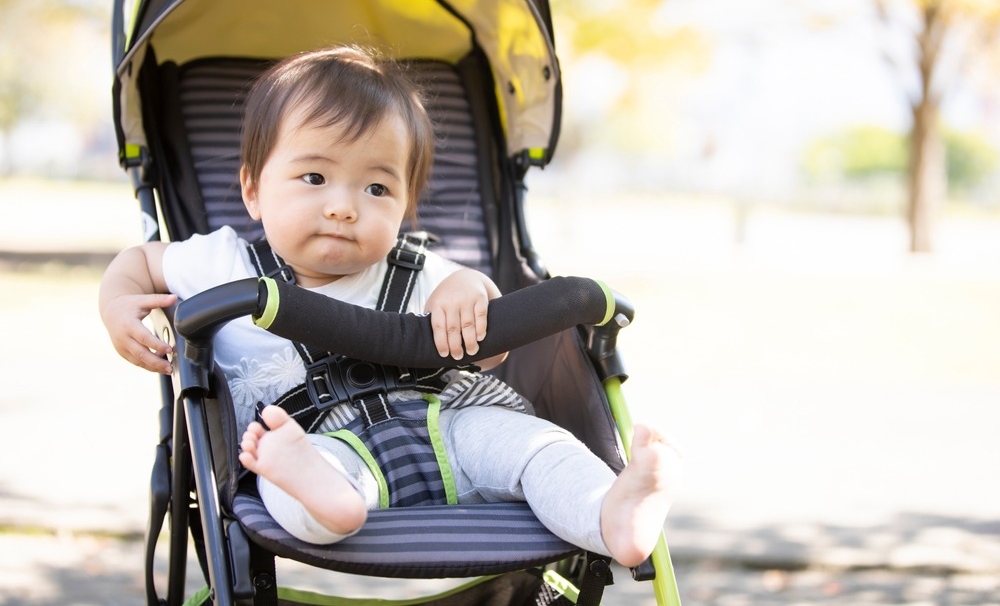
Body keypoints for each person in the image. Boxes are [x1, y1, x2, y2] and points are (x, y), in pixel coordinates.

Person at [99, 45, 681, 567]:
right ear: (253, 189)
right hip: (324, 443)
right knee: (280, 473)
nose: (344, 207)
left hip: (453, 427)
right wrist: (119, 302)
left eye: (376, 188)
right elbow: (139, 261)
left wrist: (470, 291)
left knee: (538, 448)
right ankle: (327, 501)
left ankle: (610, 513)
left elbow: (488, 349)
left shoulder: (421, 268)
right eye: (314, 176)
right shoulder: (221, 262)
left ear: (404, 205)